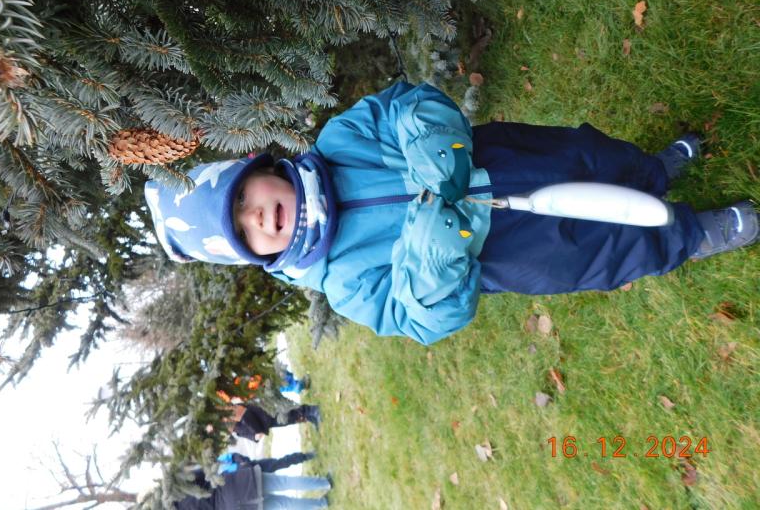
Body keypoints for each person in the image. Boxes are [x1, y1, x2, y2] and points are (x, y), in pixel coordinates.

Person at [145, 81, 759, 345]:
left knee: (591, 157)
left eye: (244, 199)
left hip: (508, 159)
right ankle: (689, 236)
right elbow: (417, 318)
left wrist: (431, 147)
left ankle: (651, 172)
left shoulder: (341, 142)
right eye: (245, 231)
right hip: (515, 252)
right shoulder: (344, 282)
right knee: (606, 249)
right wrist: (430, 259)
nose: (258, 217)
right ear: (255, 256)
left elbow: (406, 105)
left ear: (258, 168)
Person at [174, 466, 330, 510]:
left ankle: (321, 503)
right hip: (233, 486)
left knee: (283, 504)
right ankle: (324, 483)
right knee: (284, 482)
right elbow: (205, 473)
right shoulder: (176, 486)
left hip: (235, 508)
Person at [231, 403, 321, 442]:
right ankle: (309, 417)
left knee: (288, 413)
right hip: (264, 424)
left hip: (263, 413)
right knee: (287, 421)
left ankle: (312, 409)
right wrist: (254, 437)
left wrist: (257, 431)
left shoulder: (226, 413)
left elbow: (245, 414)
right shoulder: (230, 428)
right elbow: (239, 432)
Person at [217, 450, 316, 474]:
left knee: (280, 463)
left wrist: (244, 463)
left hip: (254, 467)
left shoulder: (211, 464)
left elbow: (232, 456)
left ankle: (304, 457)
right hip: (249, 490)